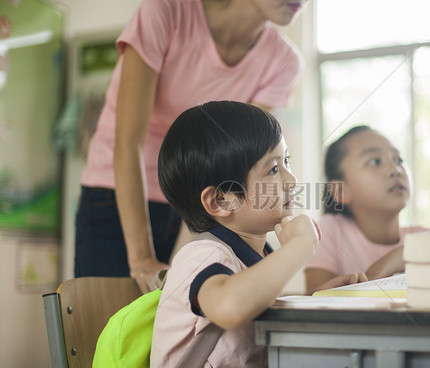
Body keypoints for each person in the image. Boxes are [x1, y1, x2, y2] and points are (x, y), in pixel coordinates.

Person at [74, 0, 307, 292]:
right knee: (105, 329)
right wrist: (142, 259)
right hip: (118, 192)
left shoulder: (283, 62)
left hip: (198, 200)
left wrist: (179, 271)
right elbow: (129, 141)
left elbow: (228, 167)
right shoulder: (165, 12)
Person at [153, 101, 353, 368]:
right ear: (222, 200)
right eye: (273, 169)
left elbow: (255, 309)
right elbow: (230, 307)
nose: (292, 180)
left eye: (287, 162)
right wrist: (301, 244)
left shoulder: (259, 254)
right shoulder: (201, 256)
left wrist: (315, 299)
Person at [305, 125, 429, 294]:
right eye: (375, 161)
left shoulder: (423, 237)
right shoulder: (330, 230)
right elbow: (314, 301)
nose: (395, 170)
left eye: (399, 159)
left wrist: (404, 252)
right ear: (341, 191)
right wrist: (373, 274)